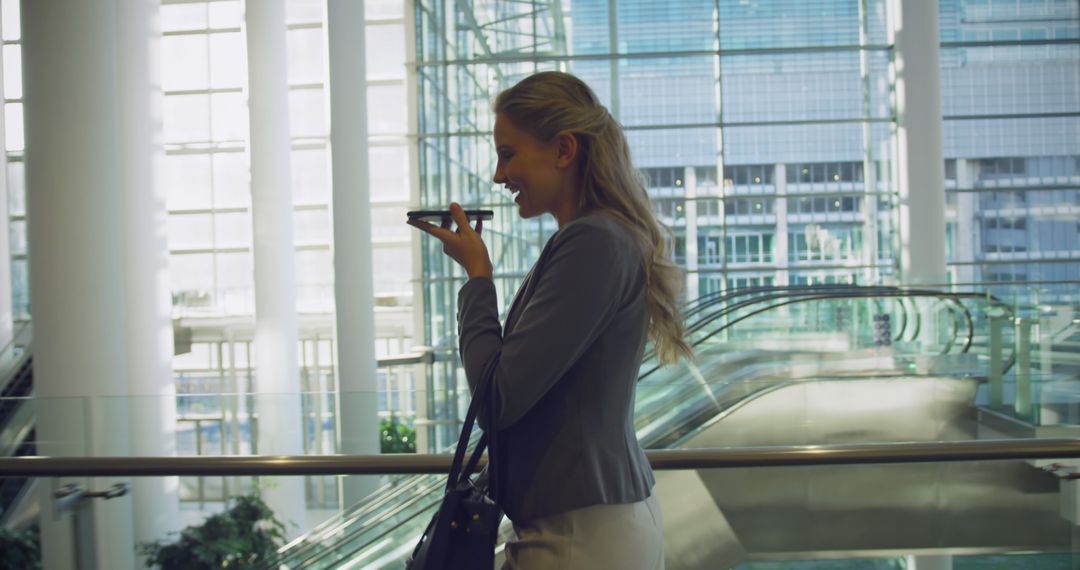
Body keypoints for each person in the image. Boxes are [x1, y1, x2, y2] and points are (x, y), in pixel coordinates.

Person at [407, 70, 691, 570]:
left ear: (563, 150)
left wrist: (477, 277)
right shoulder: (597, 238)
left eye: (508, 154)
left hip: (580, 534)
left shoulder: (592, 243)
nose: (499, 176)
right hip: (584, 524)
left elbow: (497, 396)